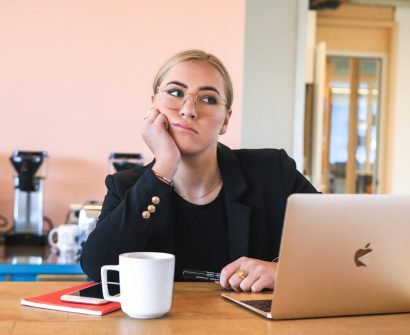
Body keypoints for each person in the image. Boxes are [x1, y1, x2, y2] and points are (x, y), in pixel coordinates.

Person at [81, 49, 318, 293]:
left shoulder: (273, 172)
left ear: (226, 119)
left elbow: (343, 248)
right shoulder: (126, 186)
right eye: (175, 93)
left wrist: (284, 273)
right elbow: (98, 267)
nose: (188, 109)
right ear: (153, 106)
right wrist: (164, 164)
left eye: (208, 99)